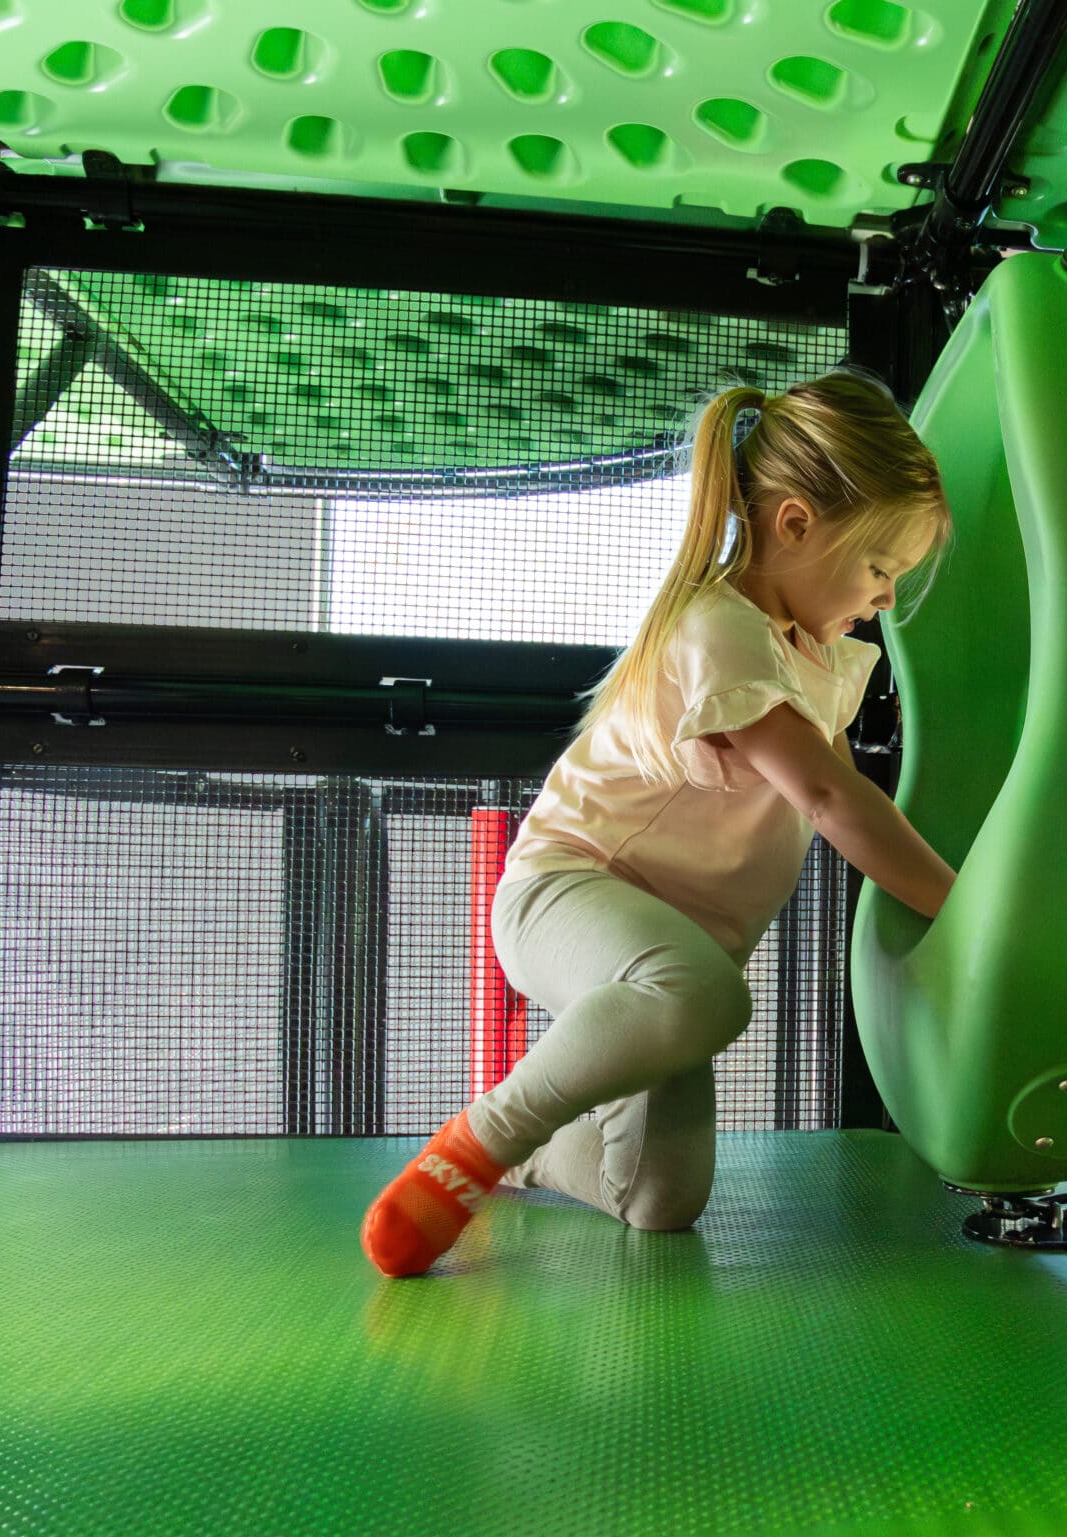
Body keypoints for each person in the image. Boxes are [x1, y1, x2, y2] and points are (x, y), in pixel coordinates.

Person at [362, 371, 957, 1277]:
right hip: (564, 891)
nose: (883, 599)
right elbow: (835, 803)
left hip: (665, 961)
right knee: (709, 994)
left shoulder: (819, 659)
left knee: (661, 1199)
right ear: (795, 523)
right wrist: (967, 911)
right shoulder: (719, 627)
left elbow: (850, 805)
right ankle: (481, 1139)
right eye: (880, 569)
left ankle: (528, 1154)